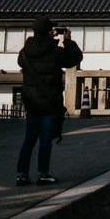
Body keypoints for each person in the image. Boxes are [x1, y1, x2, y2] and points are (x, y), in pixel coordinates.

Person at [15, 17, 82, 186]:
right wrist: (67, 41)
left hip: (31, 101)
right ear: (49, 31)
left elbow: (21, 61)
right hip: (49, 101)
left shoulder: (25, 52)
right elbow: (74, 59)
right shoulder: (55, 51)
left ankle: (22, 174)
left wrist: (46, 39)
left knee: (29, 138)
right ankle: (43, 173)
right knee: (45, 139)